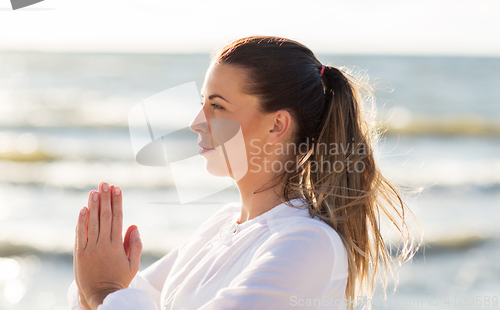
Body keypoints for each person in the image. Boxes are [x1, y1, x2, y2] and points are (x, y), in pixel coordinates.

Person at [68, 36, 418, 310]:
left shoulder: (308, 244)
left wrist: (105, 290)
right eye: (201, 103)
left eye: (217, 106)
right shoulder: (222, 225)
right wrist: (99, 284)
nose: (195, 123)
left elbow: (112, 296)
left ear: (276, 125)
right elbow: (116, 295)